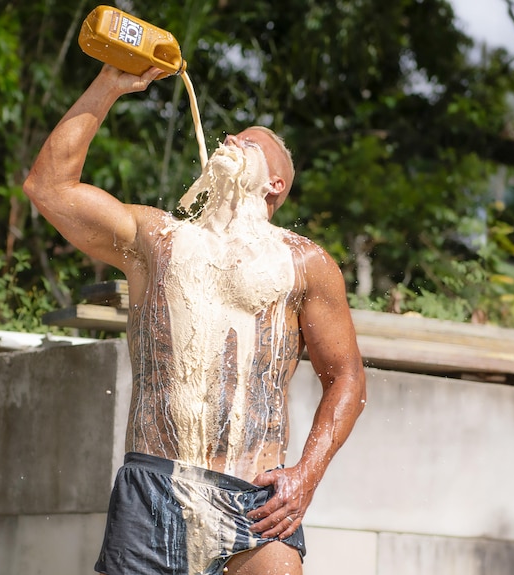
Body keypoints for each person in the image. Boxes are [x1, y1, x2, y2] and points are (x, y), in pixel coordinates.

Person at [23, 64, 367, 575]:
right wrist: (110, 84)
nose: (231, 138)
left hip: (259, 501)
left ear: (275, 184)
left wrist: (306, 476)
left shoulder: (304, 262)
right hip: (155, 484)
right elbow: (48, 188)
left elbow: (347, 378)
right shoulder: (156, 240)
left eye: (250, 142)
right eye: (233, 134)